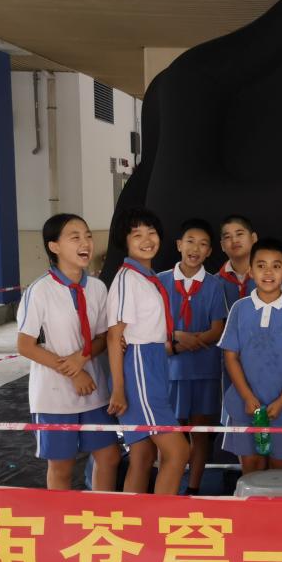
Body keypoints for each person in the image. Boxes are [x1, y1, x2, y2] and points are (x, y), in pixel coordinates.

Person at [17, 213, 121, 491]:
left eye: (88, 236)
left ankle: (101, 513)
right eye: (75, 237)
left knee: (109, 456)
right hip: (54, 395)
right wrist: (74, 373)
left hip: (94, 390)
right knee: (62, 466)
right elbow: (25, 345)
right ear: (54, 247)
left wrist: (82, 358)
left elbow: (102, 337)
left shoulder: (97, 288)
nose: (85, 242)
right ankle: (61, 517)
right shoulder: (40, 290)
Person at [105, 208, 190, 494]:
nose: (147, 240)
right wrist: (119, 389)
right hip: (139, 367)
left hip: (153, 362)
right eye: (137, 234)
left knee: (143, 455)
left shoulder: (146, 277)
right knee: (178, 451)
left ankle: (134, 517)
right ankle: (162, 516)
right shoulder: (128, 279)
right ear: (125, 241)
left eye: (151, 232)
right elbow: (114, 336)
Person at [220, 238, 282, 472]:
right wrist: (247, 396)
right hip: (244, 405)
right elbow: (230, 356)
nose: (268, 272)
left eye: (276, 266)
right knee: (251, 467)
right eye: (261, 265)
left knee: (280, 469)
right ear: (250, 271)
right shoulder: (239, 309)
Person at [158, 219, 227, 494]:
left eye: (202, 244)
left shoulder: (214, 285)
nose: (195, 248)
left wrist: (191, 341)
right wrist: (178, 338)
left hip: (204, 372)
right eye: (190, 241)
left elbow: (217, 329)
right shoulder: (160, 282)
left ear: (209, 251)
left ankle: (193, 489)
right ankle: (169, 489)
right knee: (170, 435)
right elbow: (153, 327)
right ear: (179, 245)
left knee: (200, 435)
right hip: (169, 371)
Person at [216, 214, 257, 308]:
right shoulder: (214, 283)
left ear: (253, 238)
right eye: (227, 237)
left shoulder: (272, 276)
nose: (234, 240)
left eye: (239, 234)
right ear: (222, 245)